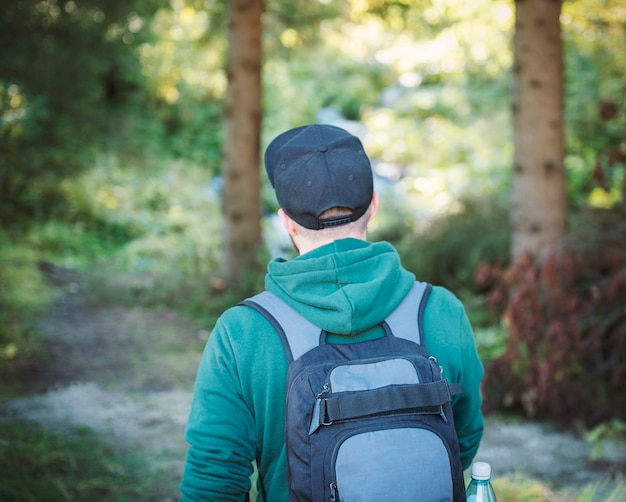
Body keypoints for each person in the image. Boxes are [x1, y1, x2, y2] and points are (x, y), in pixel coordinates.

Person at [179, 124, 484, 501]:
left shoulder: (242, 331)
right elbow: (463, 439)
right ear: (374, 204)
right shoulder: (440, 310)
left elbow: (215, 478)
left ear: (286, 220)